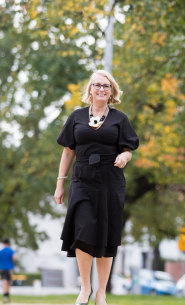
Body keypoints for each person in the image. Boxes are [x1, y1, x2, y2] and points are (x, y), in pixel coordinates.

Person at [54, 70, 139, 305]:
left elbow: (128, 149)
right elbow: (68, 150)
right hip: (82, 179)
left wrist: (124, 157)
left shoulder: (119, 119)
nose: (102, 89)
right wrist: (60, 182)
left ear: (112, 91)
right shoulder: (77, 116)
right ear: (90, 89)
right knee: (81, 231)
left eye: (106, 86)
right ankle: (85, 288)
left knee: (106, 234)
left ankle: (101, 292)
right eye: (97, 85)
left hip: (110, 181)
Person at [0, 238, 16, 304]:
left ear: (3, 243)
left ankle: (4, 296)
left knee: (4, 281)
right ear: (8, 243)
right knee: (8, 282)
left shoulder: (0, 251)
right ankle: (7, 295)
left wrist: (2, 262)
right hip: (9, 268)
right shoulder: (11, 251)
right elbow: (15, 258)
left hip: (2, 268)